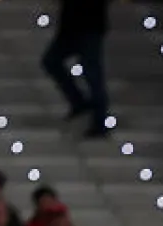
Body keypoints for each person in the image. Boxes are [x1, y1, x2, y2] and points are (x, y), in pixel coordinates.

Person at [41, 0, 111, 137]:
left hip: (89, 26)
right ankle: (79, 103)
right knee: (51, 61)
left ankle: (99, 121)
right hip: (72, 26)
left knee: (92, 74)